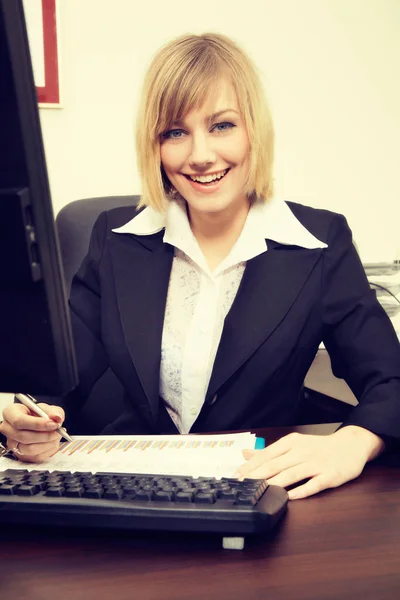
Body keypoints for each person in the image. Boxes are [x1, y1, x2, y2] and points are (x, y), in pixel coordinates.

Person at [1, 33, 400, 499]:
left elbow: (390, 381)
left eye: (222, 125)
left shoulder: (319, 242)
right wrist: (27, 421)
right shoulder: (115, 239)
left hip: (260, 493)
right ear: (154, 144)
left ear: (255, 128)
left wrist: (352, 442)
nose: (200, 155)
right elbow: (57, 383)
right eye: (175, 132)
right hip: (134, 493)